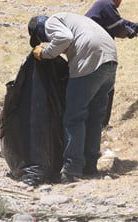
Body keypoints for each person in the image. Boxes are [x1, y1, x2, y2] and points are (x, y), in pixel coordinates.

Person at [28, 13, 118, 182]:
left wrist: (46, 53)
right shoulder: (74, 19)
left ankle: (72, 169)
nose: (45, 40)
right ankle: (90, 165)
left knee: (74, 118)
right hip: (110, 61)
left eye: (42, 38)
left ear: (40, 30)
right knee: (94, 118)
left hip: (90, 61)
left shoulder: (51, 22)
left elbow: (64, 38)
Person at [85, 0, 138, 128]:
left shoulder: (103, 5)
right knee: (105, 87)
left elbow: (121, 22)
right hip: (95, 52)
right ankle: (99, 126)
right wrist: (130, 33)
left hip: (88, 50)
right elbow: (120, 29)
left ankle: (95, 124)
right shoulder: (107, 5)